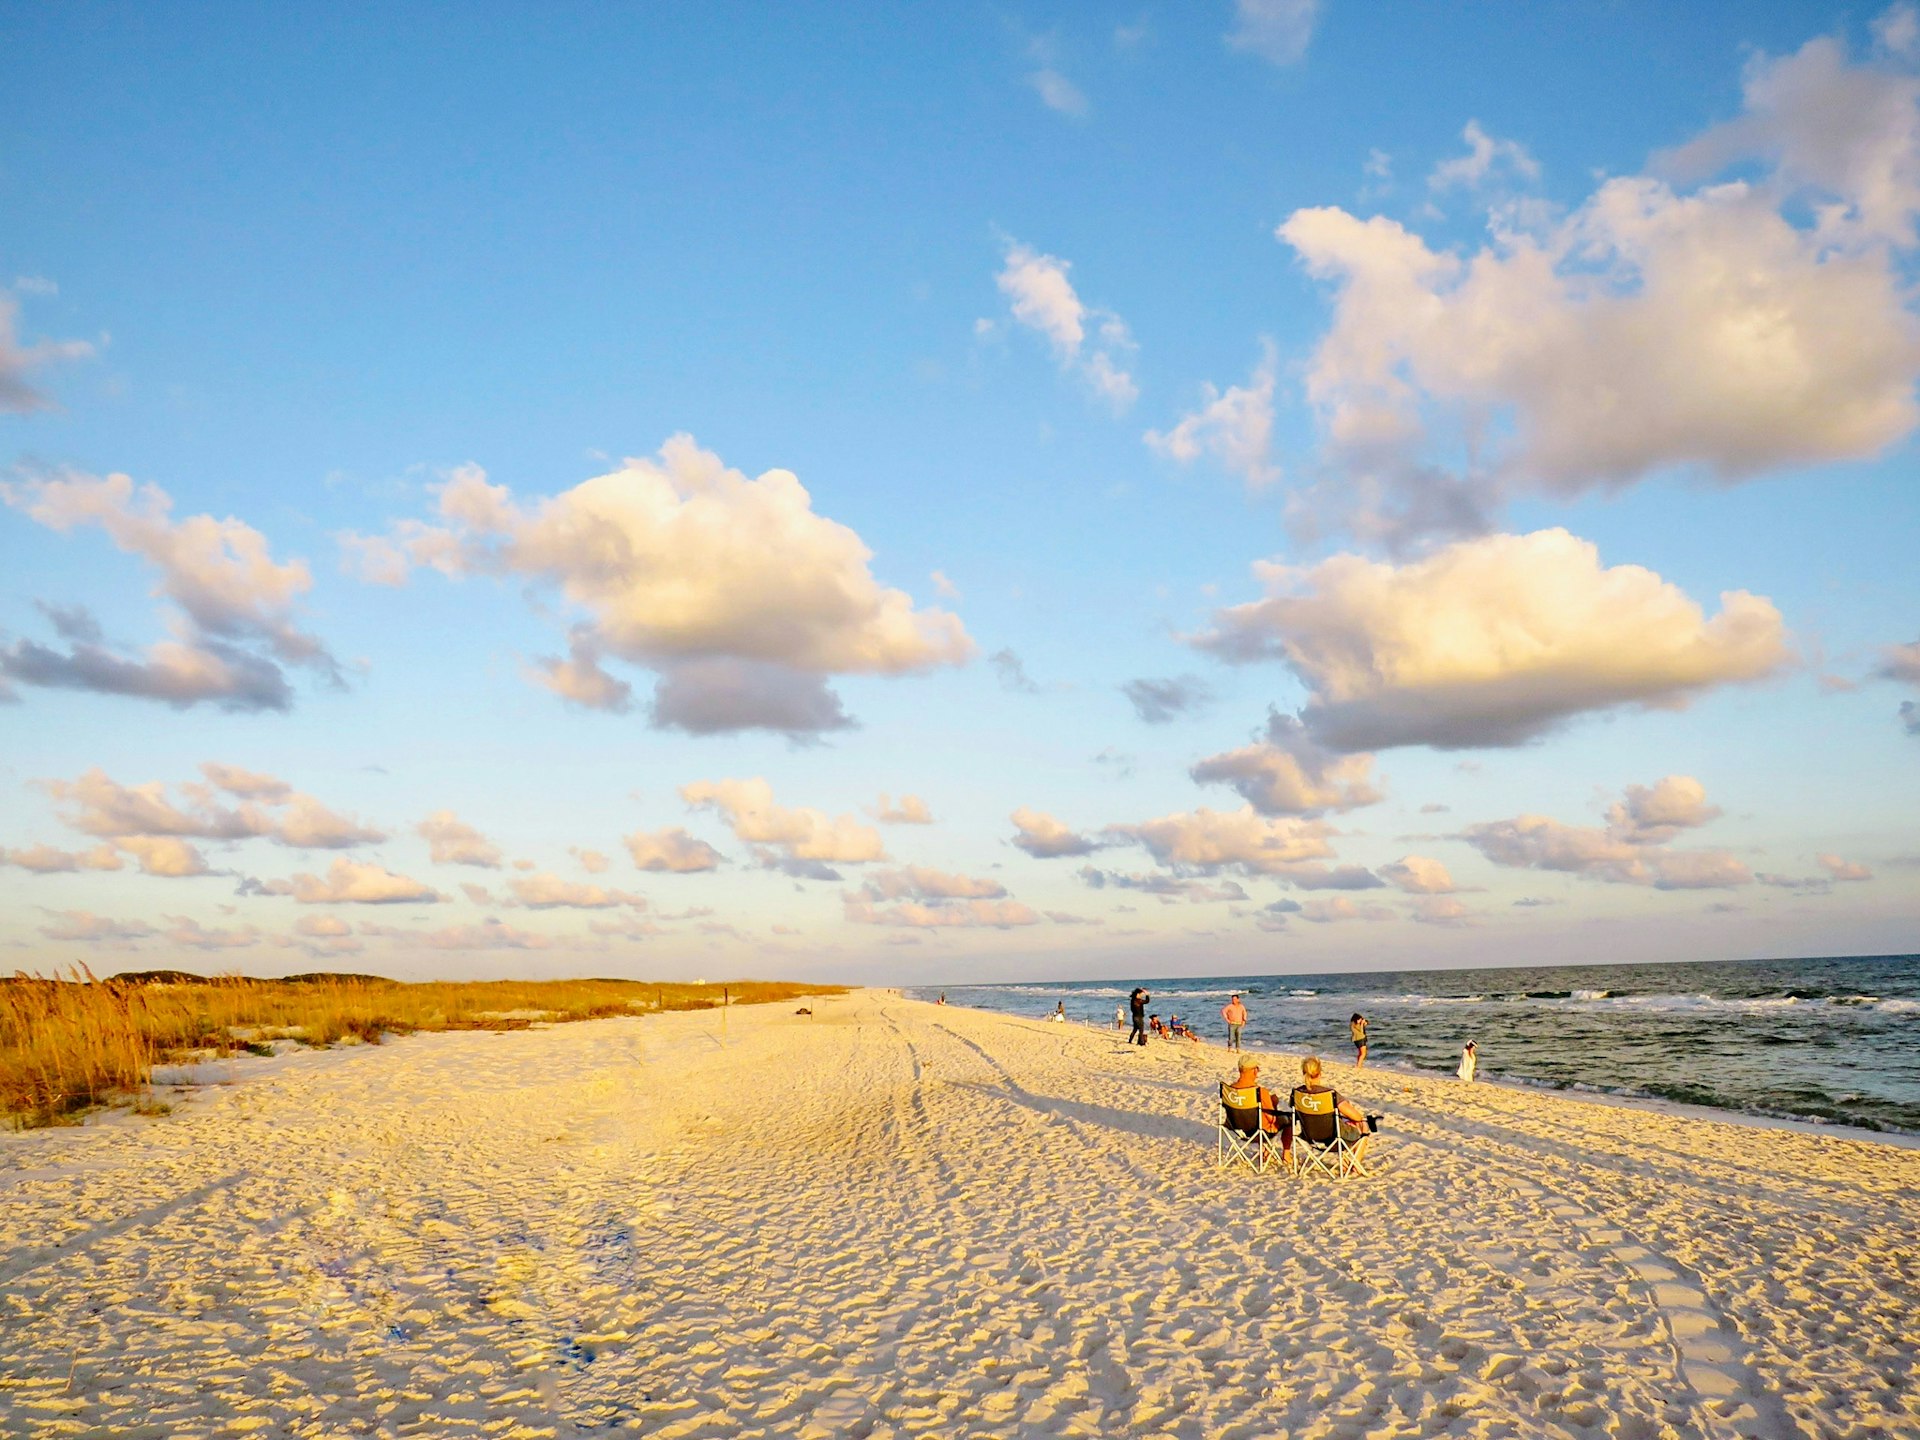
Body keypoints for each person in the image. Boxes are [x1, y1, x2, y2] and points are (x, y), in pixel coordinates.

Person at [1292, 1055, 1372, 1157]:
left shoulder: (1297, 1094)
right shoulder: (1329, 1094)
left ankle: (1350, 1163)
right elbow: (1357, 1117)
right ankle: (1355, 1164)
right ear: (1319, 1074)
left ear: (1304, 1073)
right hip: (1333, 1138)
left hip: (1309, 1137)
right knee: (1362, 1124)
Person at [1221, 1057, 1290, 1163]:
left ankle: (1265, 1150)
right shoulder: (1260, 1092)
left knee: (1255, 1115)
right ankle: (1286, 1156)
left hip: (1237, 1131)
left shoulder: (1229, 1091)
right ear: (1254, 1070)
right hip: (1258, 1133)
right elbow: (1271, 1119)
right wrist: (1274, 1104)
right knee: (1288, 1120)